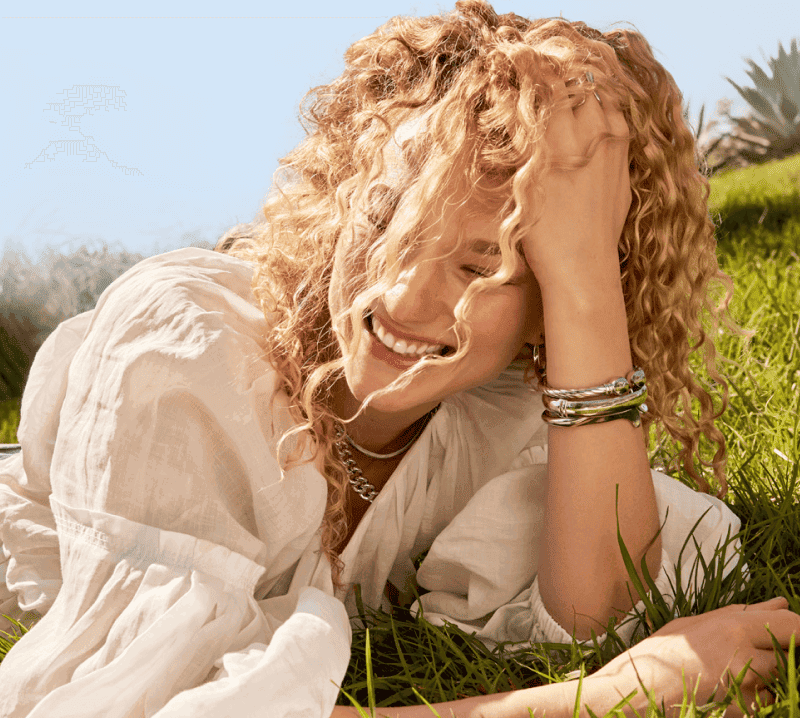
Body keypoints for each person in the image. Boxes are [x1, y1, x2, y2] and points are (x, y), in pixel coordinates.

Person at [0, 1, 797, 717]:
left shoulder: (497, 408)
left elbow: (596, 613)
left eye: (483, 266)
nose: (401, 299)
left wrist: (587, 282)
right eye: (386, 219)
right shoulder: (190, 349)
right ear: (342, 196)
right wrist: (601, 699)